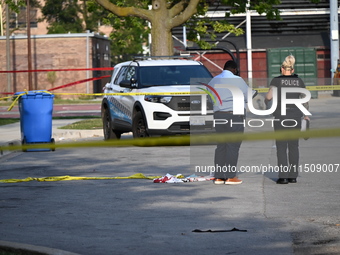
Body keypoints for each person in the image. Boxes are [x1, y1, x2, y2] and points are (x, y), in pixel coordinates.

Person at [265, 55, 310, 184]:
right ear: (293, 69)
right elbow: (305, 100)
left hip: (281, 116)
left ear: (281, 69)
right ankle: (293, 176)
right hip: (295, 116)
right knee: (294, 147)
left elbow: (268, 97)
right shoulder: (299, 81)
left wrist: (266, 100)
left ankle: (283, 177)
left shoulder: (276, 81)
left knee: (281, 147)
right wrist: (305, 115)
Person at [208, 60, 249, 185]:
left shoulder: (214, 80)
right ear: (235, 70)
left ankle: (219, 177)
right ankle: (231, 176)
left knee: (221, 146)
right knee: (233, 146)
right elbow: (247, 97)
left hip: (219, 116)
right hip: (234, 116)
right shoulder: (238, 80)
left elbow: (209, 97)